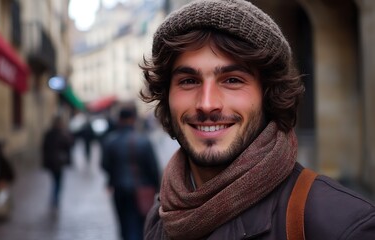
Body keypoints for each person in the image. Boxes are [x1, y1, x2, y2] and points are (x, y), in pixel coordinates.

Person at [139, 0, 375, 239]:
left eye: (232, 80)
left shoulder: (343, 226)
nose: (207, 103)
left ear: (268, 94)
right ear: (166, 95)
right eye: (188, 81)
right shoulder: (161, 215)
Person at [102, 104, 160, 240]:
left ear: (120, 120)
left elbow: (104, 165)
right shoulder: (144, 141)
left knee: (124, 225)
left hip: (119, 189)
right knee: (140, 226)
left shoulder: (110, 141)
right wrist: (156, 187)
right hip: (141, 188)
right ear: (133, 119)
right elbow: (153, 168)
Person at [42, 115, 73, 208]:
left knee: (55, 181)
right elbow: (69, 144)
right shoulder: (62, 134)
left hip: (52, 162)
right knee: (58, 182)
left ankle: (54, 197)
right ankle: (55, 198)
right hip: (58, 162)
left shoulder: (49, 134)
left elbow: (44, 148)